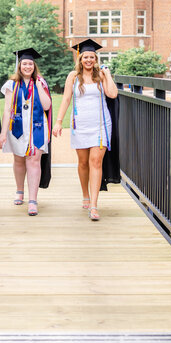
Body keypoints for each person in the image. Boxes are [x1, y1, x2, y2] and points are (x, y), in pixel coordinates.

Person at [52, 39, 119, 221]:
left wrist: (108, 74)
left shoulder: (101, 76)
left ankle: (95, 206)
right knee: (83, 163)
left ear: (96, 59)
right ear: (80, 59)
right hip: (80, 125)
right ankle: (85, 195)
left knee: (95, 162)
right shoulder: (73, 76)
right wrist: (58, 122)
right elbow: (66, 99)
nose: (89, 60)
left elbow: (112, 94)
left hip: (100, 125)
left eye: (92, 57)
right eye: (85, 57)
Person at [0, 48, 52, 216]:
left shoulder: (41, 83)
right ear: (19, 66)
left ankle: (33, 200)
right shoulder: (11, 84)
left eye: (30, 64)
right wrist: (2, 133)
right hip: (18, 128)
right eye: (24, 64)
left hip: (37, 127)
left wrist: (38, 86)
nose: (27, 66)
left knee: (34, 160)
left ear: (34, 66)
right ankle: (20, 190)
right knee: (19, 160)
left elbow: (47, 106)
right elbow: (7, 110)